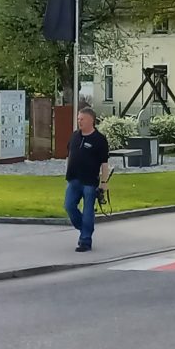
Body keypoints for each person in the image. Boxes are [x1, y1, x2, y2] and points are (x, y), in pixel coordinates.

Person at [64, 108, 113, 252]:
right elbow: (70, 155)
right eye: (78, 119)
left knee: (87, 211)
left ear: (91, 120)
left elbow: (104, 164)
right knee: (69, 206)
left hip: (90, 181)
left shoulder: (99, 139)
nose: (79, 121)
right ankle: (85, 229)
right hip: (73, 179)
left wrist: (104, 182)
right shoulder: (74, 136)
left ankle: (85, 240)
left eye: (82, 119)